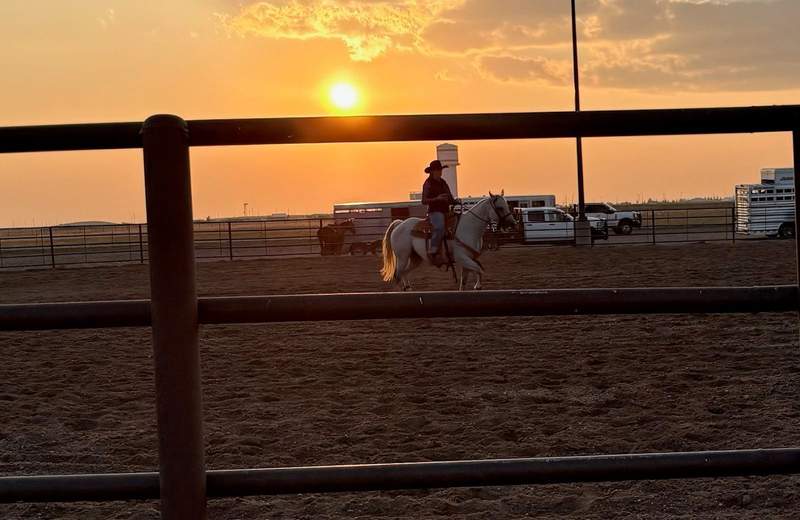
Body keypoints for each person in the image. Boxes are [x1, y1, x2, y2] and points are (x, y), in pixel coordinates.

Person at [421, 159, 457, 266]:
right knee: (440, 226)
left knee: (458, 222)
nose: (440, 172)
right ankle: (433, 250)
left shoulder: (443, 182)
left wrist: (455, 201)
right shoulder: (428, 183)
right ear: (432, 171)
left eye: (440, 170)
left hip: (446, 210)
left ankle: (452, 250)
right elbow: (424, 200)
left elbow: (449, 196)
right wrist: (437, 198)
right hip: (434, 211)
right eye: (438, 170)